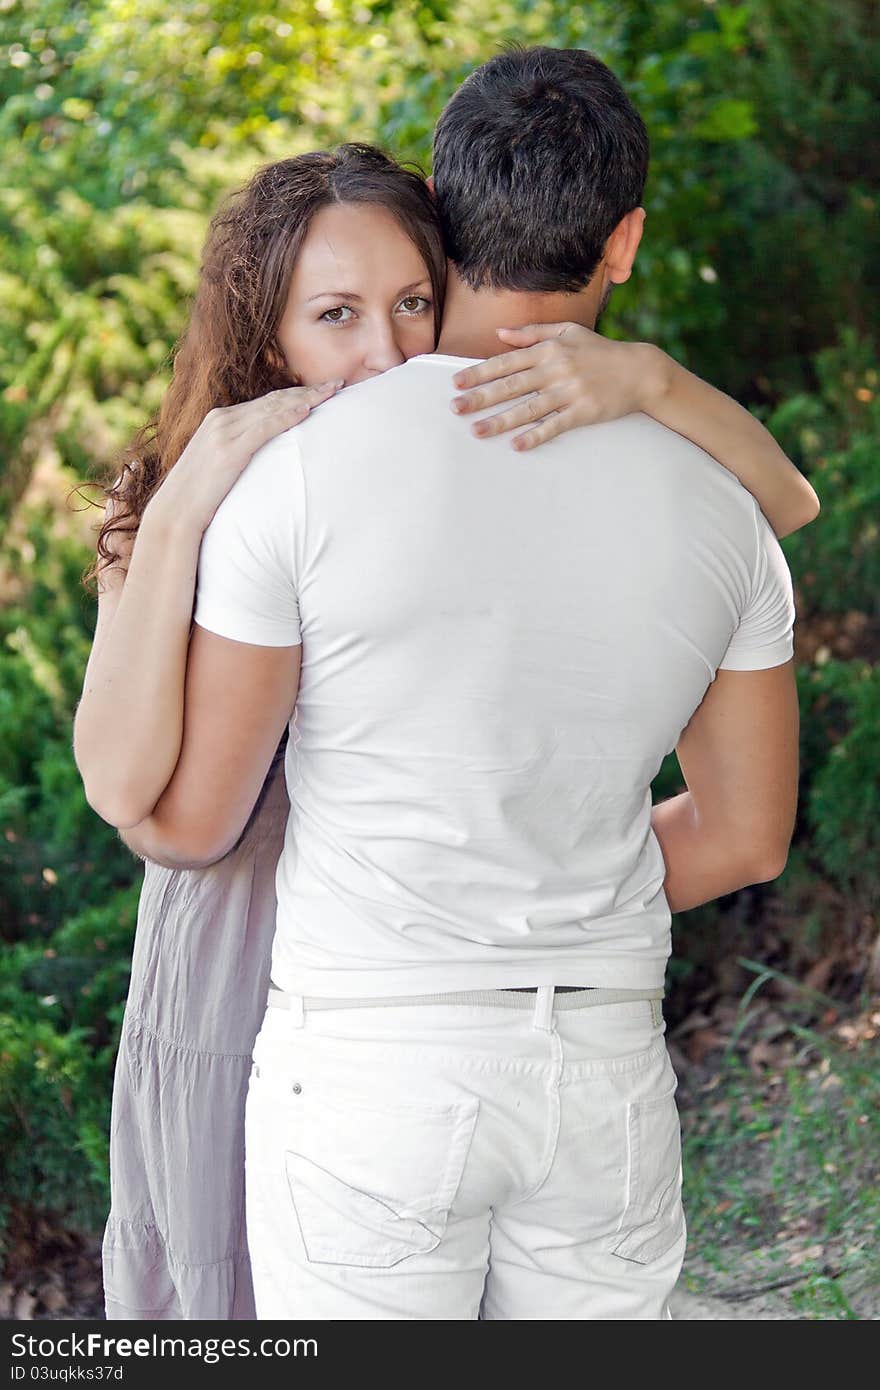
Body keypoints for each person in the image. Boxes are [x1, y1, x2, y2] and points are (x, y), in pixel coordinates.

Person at [74, 58, 816, 1321]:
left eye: (405, 302)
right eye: (336, 315)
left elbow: (173, 819)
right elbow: (745, 833)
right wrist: (547, 875)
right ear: (624, 240)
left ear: (452, 234)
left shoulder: (297, 487)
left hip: (366, 1046)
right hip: (593, 1061)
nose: (378, 351)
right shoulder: (712, 504)